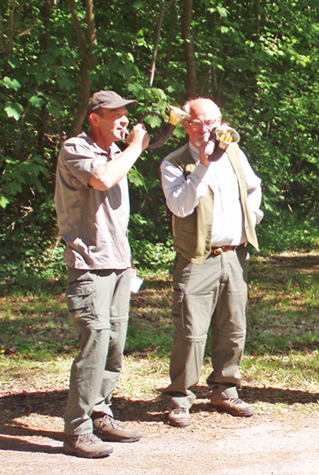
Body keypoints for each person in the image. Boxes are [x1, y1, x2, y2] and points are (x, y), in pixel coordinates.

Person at [55, 90, 149, 458]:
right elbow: (102, 180)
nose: (125, 121)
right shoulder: (75, 148)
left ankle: (101, 412)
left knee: (114, 344)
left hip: (118, 263)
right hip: (89, 264)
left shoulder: (115, 153)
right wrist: (136, 146)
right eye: (116, 115)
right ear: (96, 118)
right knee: (94, 344)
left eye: (126, 114)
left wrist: (128, 259)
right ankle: (77, 430)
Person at [159, 98, 263, 428]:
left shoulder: (233, 153)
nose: (205, 129)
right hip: (197, 258)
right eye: (197, 123)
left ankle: (225, 389)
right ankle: (180, 398)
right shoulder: (174, 162)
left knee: (233, 328)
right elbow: (180, 206)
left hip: (235, 255)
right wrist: (202, 166)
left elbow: (253, 187)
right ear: (185, 125)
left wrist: (252, 217)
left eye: (211, 122)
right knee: (190, 333)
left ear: (220, 122)